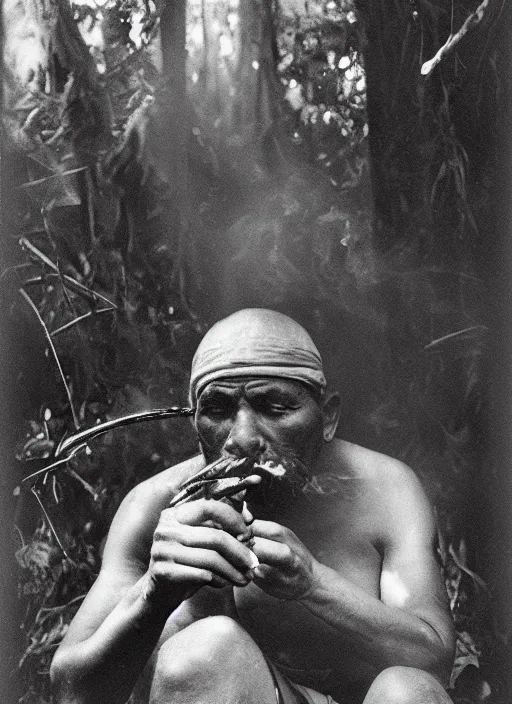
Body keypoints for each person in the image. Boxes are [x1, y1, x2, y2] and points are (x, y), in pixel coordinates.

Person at [51, 308, 455, 704]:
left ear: (328, 417)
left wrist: (314, 584)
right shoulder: (155, 508)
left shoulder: (383, 490)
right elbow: (73, 691)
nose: (243, 438)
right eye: (218, 410)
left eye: (275, 408)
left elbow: (433, 662)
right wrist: (154, 594)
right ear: (196, 426)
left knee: (409, 692)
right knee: (205, 653)